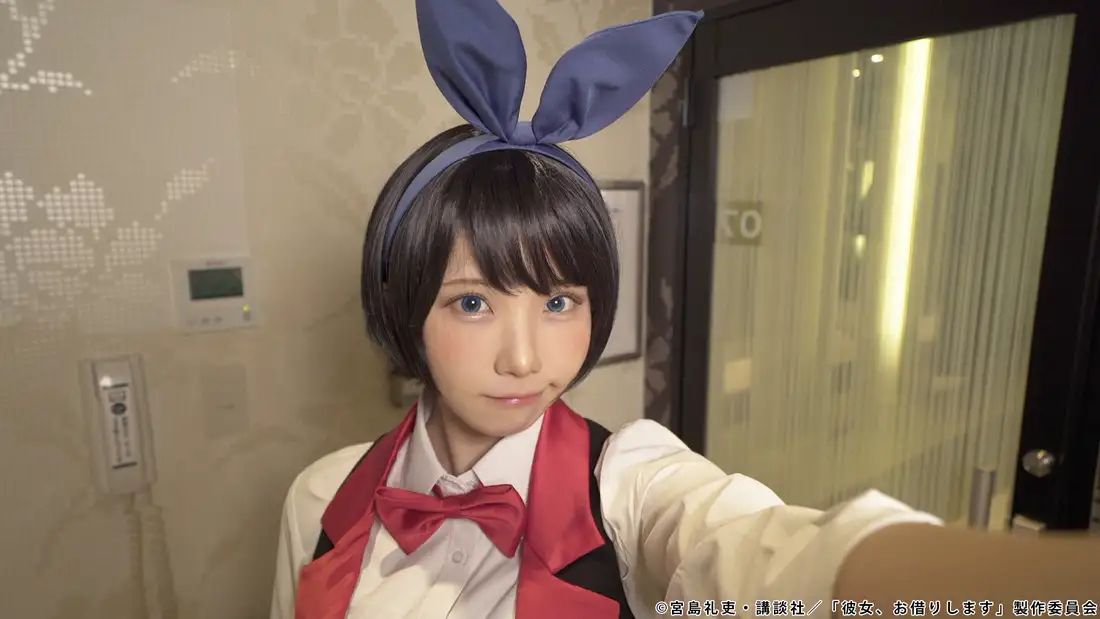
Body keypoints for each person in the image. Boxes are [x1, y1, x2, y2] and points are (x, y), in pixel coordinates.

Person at [270, 2, 1100, 618]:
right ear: (402, 300)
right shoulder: (320, 499)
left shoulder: (627, 483)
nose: (525, 357)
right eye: (474, 301)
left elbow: (769, 555)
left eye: (558, 300)